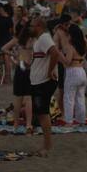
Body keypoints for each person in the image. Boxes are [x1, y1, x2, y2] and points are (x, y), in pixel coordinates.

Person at [28, 17, 60, 156]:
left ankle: (47, 147)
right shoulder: (39, 40)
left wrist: (50, 70)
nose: (30, 28)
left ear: (39, 26)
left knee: (43, 113)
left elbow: (55, 53)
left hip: (44, 81)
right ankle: (46, 145)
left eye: (32, 25)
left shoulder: (44, 38)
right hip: (38, 81)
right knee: (41, 114)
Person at [61, 23, 87, 126]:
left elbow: (67, 61)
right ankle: (81, 119)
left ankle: (69, 121)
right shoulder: (82, 45)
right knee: (80, 98)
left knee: (69, 97)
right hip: (81, 71)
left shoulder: (70, 47)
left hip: (72, 71)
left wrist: (60, 56)